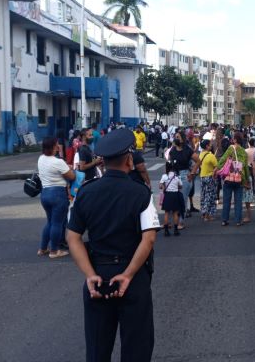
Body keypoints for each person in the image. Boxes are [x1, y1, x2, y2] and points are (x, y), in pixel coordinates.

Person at [66, 128, 160, 362]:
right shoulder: (140, 193)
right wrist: (128, 275)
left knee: (98, 348)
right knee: (137, 347)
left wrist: (89, 275)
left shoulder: (86, 193)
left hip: (98, 278)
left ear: (102, 162)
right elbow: (148, 238)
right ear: (129, 159)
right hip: (133, 277)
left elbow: (72, 237)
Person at [37, 137, 76, 258]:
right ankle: (54, 251)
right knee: (57, 223)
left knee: (50, 222)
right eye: (57, 144)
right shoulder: (58, 162)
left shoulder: (41, 158)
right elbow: (72, 177)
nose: (59, 145)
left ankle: (43, 248)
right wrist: (69, 168)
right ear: (54, 147)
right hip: (58, 194)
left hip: (45, 193)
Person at [217, 131, 250, 226]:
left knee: (226, 199)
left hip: (229, 177)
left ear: (235, 140)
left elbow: (222, 160)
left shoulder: (230, 149)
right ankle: (238, 220)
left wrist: (219, 169)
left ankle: (224, 220)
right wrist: (247, 179)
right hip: (239, 178)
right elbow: (246, 168)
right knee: (238, 201)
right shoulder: (244, 152)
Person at [197, 139, 218, 222]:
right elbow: (216, 166)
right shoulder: (211, 155)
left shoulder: (200, 155)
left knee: (204, 195)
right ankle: (207, 215)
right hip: (210, 177)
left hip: (202, 177)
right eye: (209, 145)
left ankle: (203, 213)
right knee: (210, 196)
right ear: (207, 146)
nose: (211, 146)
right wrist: (214, 173)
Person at [160, 162, 183, 236]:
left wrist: (164, 187)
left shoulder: (164, 176)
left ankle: (166, 231)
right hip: (175, 195)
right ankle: (176, 230)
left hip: (167, 195)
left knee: (167, 213)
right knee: (175, 213)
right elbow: (180, 186)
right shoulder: (177, 176)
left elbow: (160, 186)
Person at [243, 138, 255, 223]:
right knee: (254, 182)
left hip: (247, 168)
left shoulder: (245, 150)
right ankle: (253, 194)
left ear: (248, 143)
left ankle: (250, 197)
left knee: (249, 182)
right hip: (254, 168)